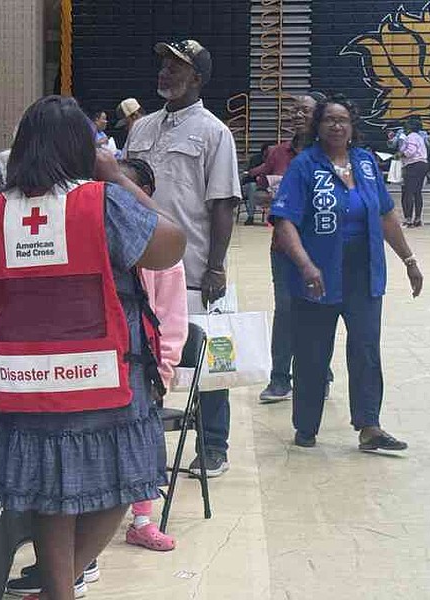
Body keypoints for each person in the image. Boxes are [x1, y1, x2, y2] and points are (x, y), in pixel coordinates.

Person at [0, 95, 185, 600]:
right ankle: (61, 587)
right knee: (125, 481)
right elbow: (172, 244)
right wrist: (117, 175)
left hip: (22, 379)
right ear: (85, 147)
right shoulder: (102, 201)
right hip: (104, 374)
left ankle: (58, 589)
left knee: (48, 494)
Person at [270, 94, 424, 450]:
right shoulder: (305, 166)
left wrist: (409, 260)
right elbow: (285, 221)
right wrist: (306, 264)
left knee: (366, 350)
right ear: (318, 127)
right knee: (312, 352)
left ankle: (370, 426)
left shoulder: (366, 163)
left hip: (364, 274)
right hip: (319, 276)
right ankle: (306, 427)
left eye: (343, 120)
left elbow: (386, 215)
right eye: (329, 120)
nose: (337, 126)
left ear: (353, 127)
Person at [125, 39, 241, 479]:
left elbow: (223, 205)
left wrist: (215, 266)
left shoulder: (214, 132)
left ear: (197, 78)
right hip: (139, 264)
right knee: (144, 354)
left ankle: (213, 445)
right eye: (164, 65)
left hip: (190, 269)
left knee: (206, 361)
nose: (166, 73)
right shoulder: (142, 128)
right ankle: (143, 442)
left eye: (177, 67)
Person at [120, 157, 186, 552]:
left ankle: (143, 519)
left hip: (145, 365)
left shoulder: (161, 251)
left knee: (143, 438)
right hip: (109, 359)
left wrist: (164, 369)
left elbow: (172, 318)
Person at [255, 92, 335, 404]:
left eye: (304, 110)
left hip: (323, 246)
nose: (296, 115)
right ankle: (279, 379)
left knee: (319, 311)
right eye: (294, 110)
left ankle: (319, 375)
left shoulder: (331, 153)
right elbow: (261, 193)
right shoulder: (277, 153)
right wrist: (268, 200)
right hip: (284, 247)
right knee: (286, 310)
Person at [399, 116, 429, 228]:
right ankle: (418, 219)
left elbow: (410, 152)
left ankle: (408, 220)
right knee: (417, 192)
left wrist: (400, 154)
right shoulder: (419, 137)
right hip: (423, 165)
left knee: (408, 192)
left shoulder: (411, 137)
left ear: (410, 127)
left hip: (413, 165)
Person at [241, 142, 272, 226]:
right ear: (264, 151)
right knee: (252, 187)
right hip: (252, 183)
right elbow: (250, 173)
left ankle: (274, 217)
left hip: (267, 184)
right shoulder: (255, 159)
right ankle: (250, 216)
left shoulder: (274, 159)